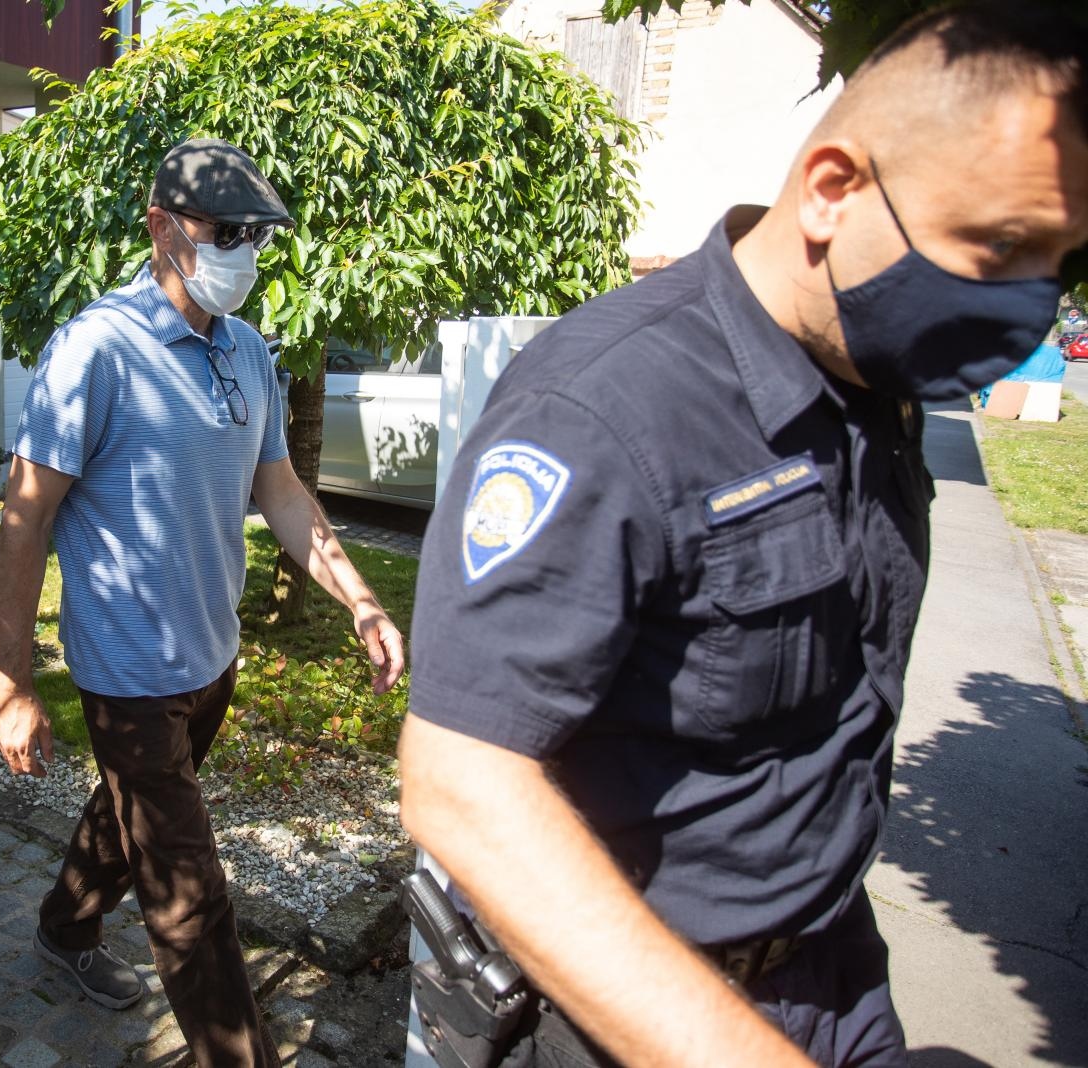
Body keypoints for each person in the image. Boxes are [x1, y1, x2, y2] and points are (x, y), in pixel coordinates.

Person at [398, 4, 1088, 1067]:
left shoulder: (875, 382)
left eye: (1055, 259)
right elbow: (461, 783)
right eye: (998, 247)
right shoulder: (603, 407)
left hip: (837, 970)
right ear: (832, 190)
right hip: (646, 1012)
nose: (1028, 302)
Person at [0, 139, 406, 1068]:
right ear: (161, 229)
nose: (246, 253)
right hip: (127, 669)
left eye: (256, 237)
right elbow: (22, 525)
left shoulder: (248, 350)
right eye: (227, 233)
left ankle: (61, 933)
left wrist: (361, 602)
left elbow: (284, 492)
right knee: (189, 895)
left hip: (211, 660)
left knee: (131, 807)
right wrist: (10, 685)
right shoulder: (96, 349)